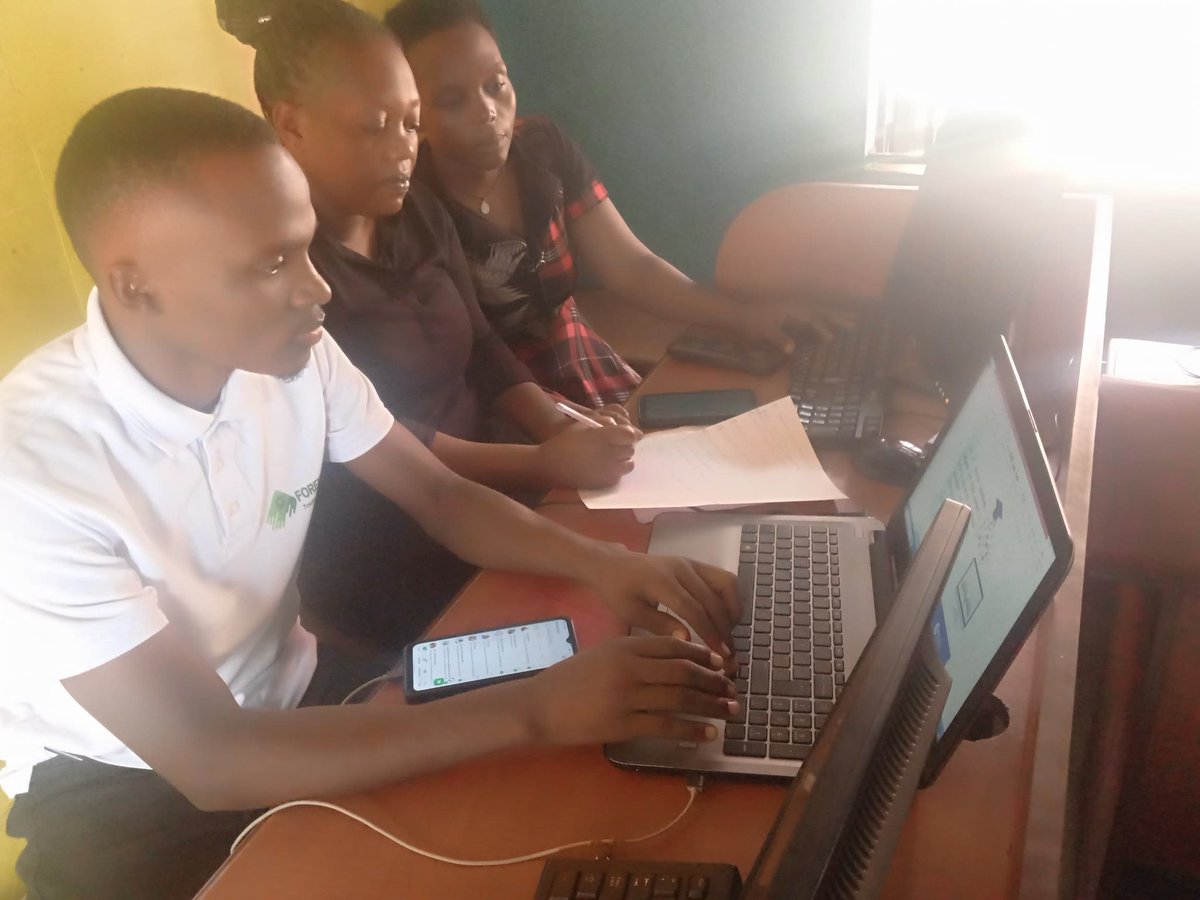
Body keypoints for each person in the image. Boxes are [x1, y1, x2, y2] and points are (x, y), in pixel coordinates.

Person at [0, 87, 741, 900]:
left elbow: (440, 496)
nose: (316, 288)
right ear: (137, 287)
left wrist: (607, 565)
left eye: (305, 248)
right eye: (271, 265)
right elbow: (211, 759)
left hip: (296, 693)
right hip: (122, 783)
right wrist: (532, 710)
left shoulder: (290, 354)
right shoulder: (32, 473)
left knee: (554, 814)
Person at [218, 0, 639, 649]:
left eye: (412, 124)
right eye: (375, 127)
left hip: (498, 489)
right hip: (393, 542)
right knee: (579, 639)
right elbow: (393, 444)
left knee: (639, 558)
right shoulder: (291, 278)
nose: (404, 150)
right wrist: (540, 462)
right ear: (291, 124)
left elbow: (483, 347)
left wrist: (558, 425)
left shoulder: (417, 211)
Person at [385, 0, 799, 409]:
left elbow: (631, 267)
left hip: (583, 364)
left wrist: (743, 317)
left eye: (496, 85)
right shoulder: (412, 207)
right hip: (503, 404)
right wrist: (558, 428)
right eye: (451, 101)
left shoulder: (543, 148)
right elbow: (468, 357)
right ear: (413, 112)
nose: (487, 112)